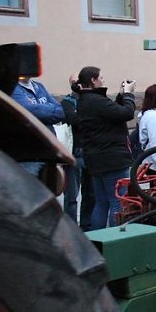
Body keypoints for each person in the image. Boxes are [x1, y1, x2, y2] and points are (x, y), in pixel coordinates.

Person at [74, 66, 136, 230]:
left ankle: (99, 239)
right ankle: (116, 239)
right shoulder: (96, 101)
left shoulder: (85, 101)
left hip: (95, 159)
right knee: (118, 202)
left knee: (101, 202)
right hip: (112, 159)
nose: (103, 80)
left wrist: (120, 96)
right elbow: (126, 114)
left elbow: (111, 113)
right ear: (93, 80)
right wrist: (129, 95)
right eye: (101, 77)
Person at [61, 73, 96, 229]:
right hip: (75, 152)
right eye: (74, 82)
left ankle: (86, 226)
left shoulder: (92, 100)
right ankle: (71, 228)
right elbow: (74, 120)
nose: (77, 84)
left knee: (91, 194)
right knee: (72, 196)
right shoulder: (67, 102)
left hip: (91, 151)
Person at [11, 75, 65, 176]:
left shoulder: (39, 86)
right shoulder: (13, 88)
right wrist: (48, 109)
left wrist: (42, 111)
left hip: (48, 152)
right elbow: (29, 111)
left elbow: (61, 111)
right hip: (29, 155)